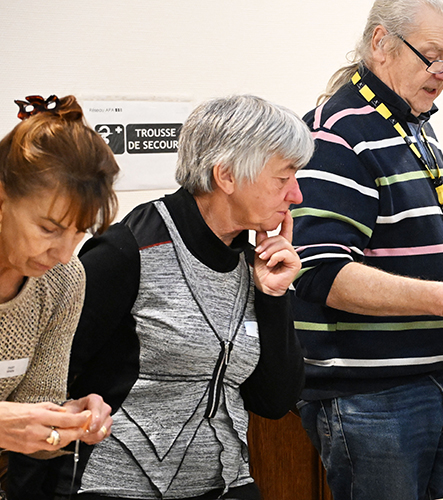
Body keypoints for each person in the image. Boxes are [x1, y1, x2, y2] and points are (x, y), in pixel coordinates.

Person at [9, 94, 311, 500]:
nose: (296, 195)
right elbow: (49, 391)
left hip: (225, 483)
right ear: (226, 176)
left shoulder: (255, 258)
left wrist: (274, 297)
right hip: (116, 485)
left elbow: (273, 402)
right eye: (283, 178)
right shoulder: (126, 251)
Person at [292, 1, 443, 499]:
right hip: (369, 400)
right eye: (433, 57)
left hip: (435, 381)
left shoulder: (407, 121)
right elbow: (319, 272)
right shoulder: (337, 132)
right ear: (381, 43)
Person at [0, 95, 115, 458]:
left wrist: (66, 422)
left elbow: (32, 423)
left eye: (79, 232)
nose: (64, 254)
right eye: (49, 229)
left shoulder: (62, 279)